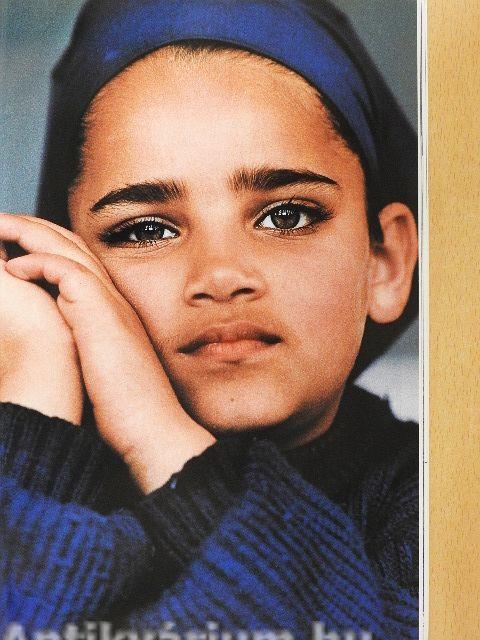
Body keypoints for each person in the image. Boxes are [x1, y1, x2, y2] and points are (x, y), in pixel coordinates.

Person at [0, 0, 419, 637]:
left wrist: (159, 436)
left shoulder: (444, 503)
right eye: (147, 230)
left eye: (286, 216)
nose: (221, 275)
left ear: (383, 263)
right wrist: (34, 407)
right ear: (62, 268)